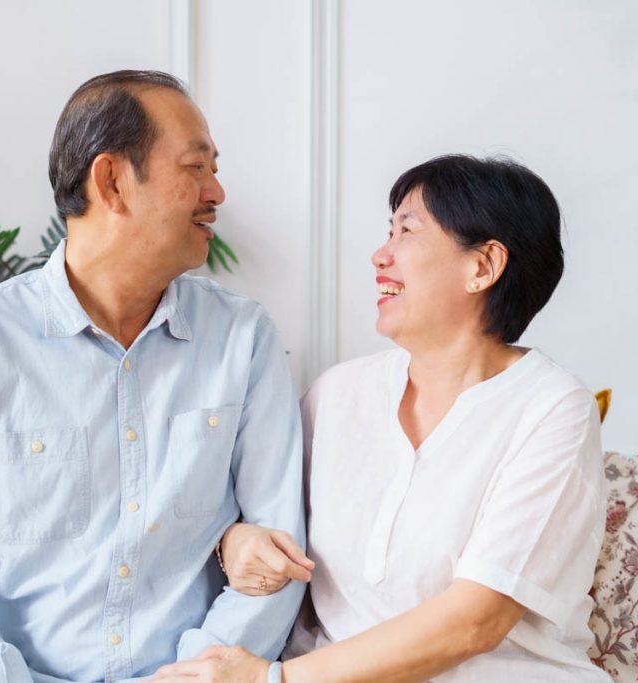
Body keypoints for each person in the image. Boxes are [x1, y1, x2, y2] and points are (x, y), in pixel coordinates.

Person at [0, 70, 308, 683]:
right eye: (195, 167)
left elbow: (278, 549)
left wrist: (200, 675)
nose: (217, 191)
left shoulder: (243, 340)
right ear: (111, 181)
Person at [154, 154, 611, 682]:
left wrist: (268, 680)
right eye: (387, 232)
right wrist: (233, 542)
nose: (379, 255)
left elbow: (476, 622)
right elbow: (258, 518)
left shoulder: (552, 408)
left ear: (482, 266)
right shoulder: (337, 394)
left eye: (407, 232)